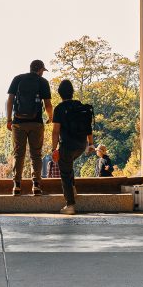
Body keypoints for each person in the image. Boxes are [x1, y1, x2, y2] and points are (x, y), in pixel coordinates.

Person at [6, 59, 53, 195]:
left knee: (18, 154)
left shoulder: (17, 79)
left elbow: (10, 100)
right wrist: (51, 117)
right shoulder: (42, 82)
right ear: (40, 70)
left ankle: (17, 185)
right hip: (36, 122)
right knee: (36, 154)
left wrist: (9, 119)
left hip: (18, 123)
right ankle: (36, 185)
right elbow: (48, 104)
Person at [51, 79, 94, 215]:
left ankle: (70, 205)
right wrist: (91, 143)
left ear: (60, 94)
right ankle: (73, 188)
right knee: (68, 165)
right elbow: (88, 126)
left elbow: (55, 131)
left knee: (64, 172)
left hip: (67, 145)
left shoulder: (59, 109)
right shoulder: (78, 105)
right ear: (72, 92)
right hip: (81, 145)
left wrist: (54, 149)